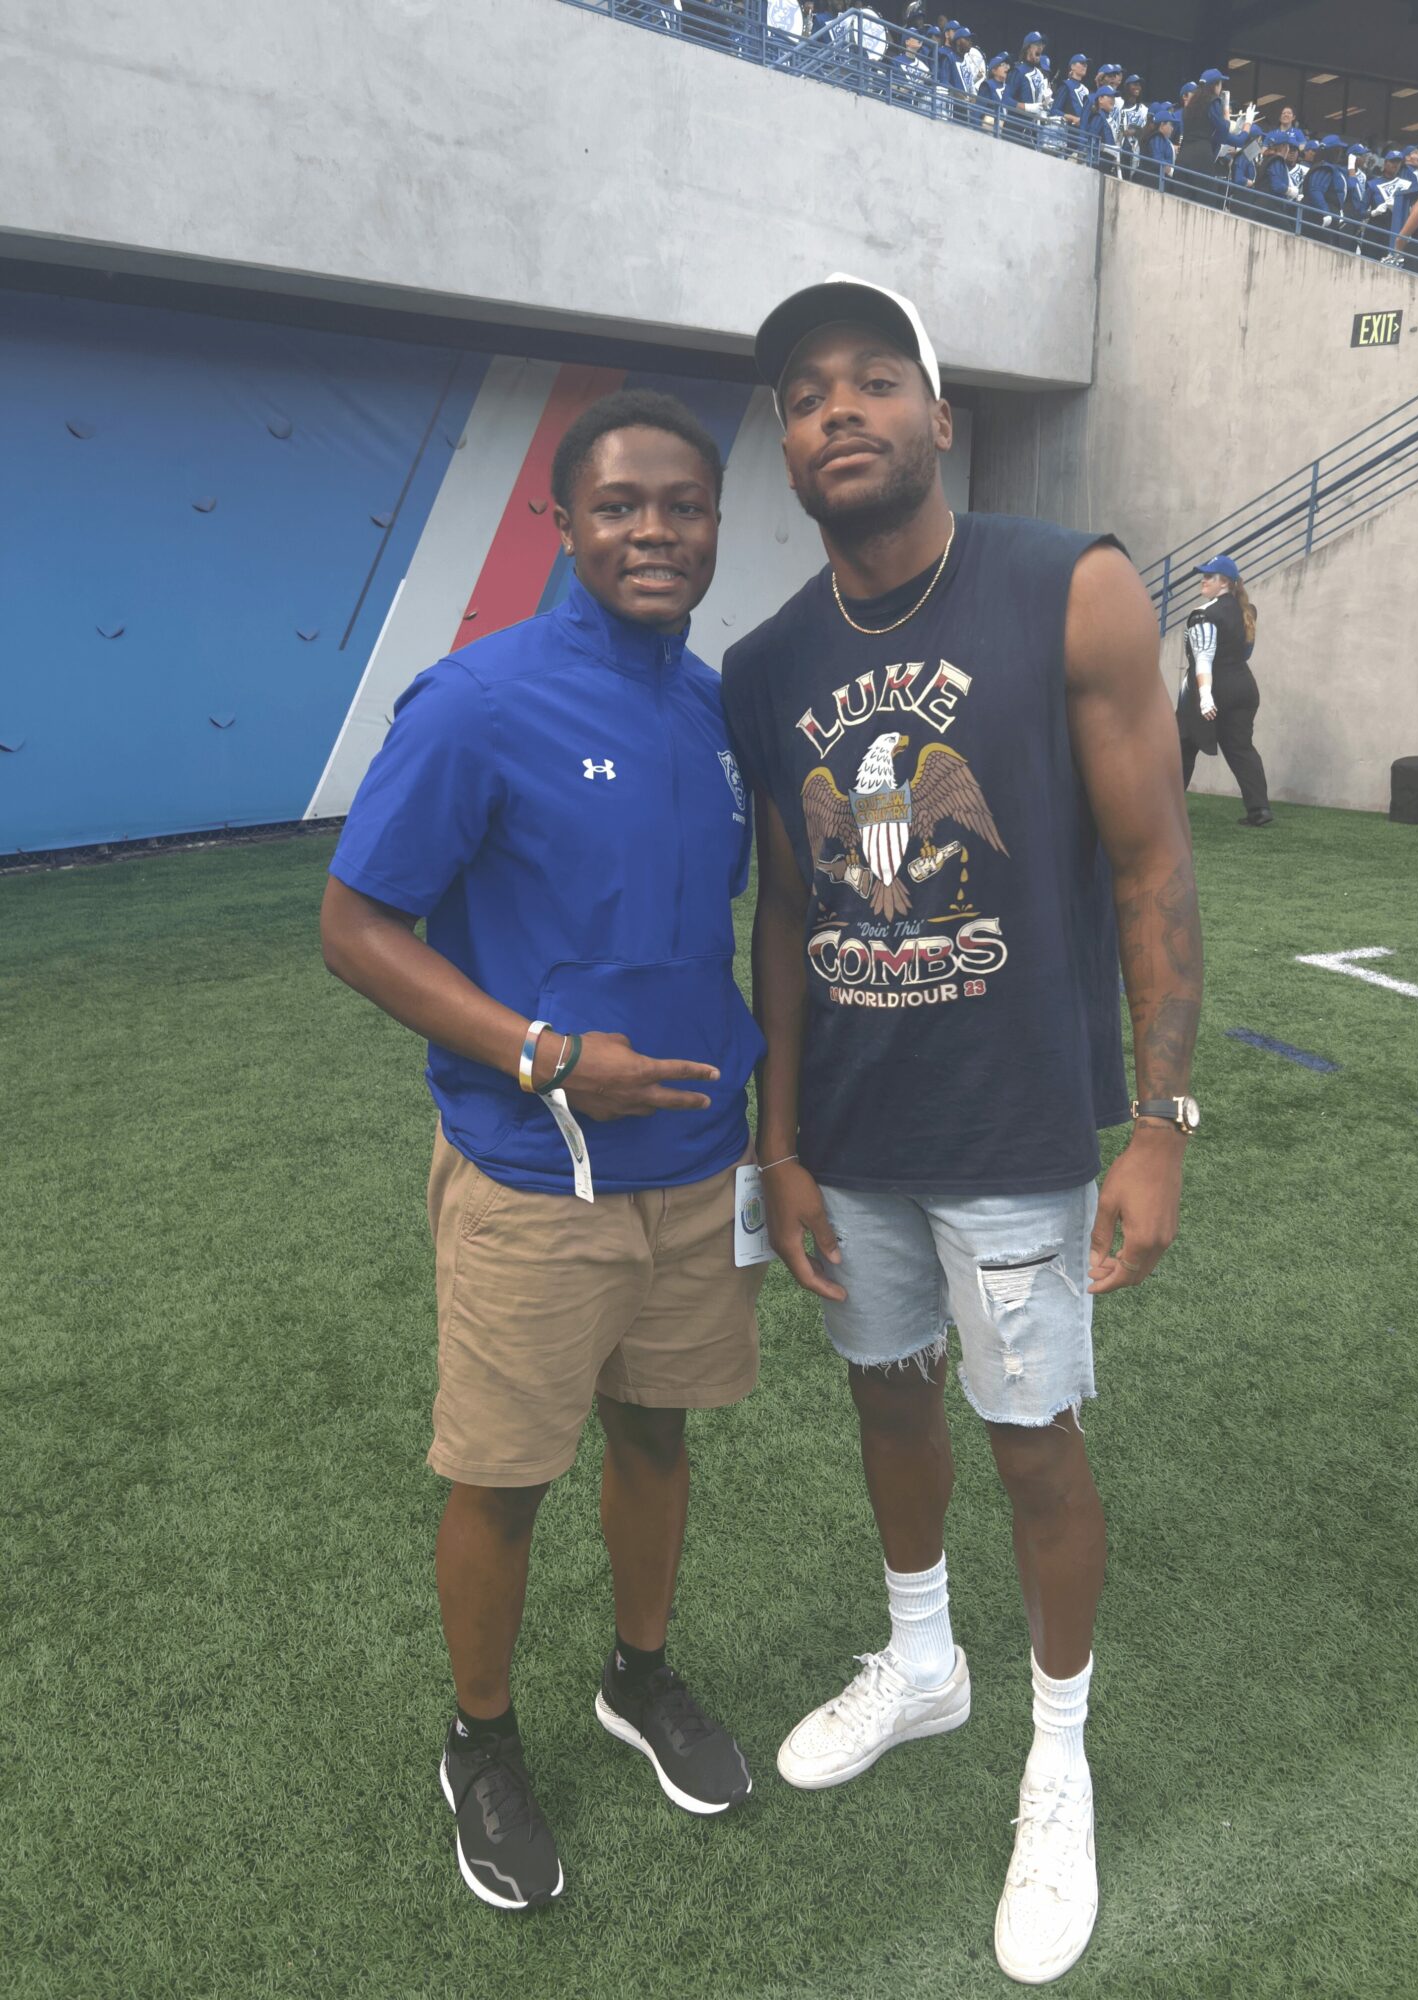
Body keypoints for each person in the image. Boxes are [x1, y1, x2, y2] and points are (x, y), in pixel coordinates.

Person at [722, 273, 1204, 1986]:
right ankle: (924, 1664)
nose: (835, 412)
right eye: (802, 396)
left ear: (940, 416)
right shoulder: (767, 666)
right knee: (884, 1395)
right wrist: (779, 1144)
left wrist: (1157, 1120)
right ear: (786, 445)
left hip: (1016, 1132)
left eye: (871, 382)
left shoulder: (1064, 589)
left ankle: (1054, 1755)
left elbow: (1153, 863)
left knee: (1034, 1440)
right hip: (850, 1133)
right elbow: (785, 917)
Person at [320, 391, 766, 1911]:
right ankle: (482, 1739)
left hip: (697, 1173)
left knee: (658, 1434)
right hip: (533, 1176)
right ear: (564, 524)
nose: (655, 531)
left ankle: (638, 1678)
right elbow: (353, 925)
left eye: (684, 506)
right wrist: (540, 1052)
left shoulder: (716, 711)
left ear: (717, 524)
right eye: (623, 505)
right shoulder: (477, 701)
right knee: (503, 1477)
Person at [1177, 555, 1271, 827]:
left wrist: (1206, 697)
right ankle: (1260, 809)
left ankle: (1166, 810)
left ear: (1225, 583)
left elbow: (1203, 659)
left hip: (1212, 688)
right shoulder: (1247, 611)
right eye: (1204, 575)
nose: (1203, 580)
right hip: (1244, 686)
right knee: (1241, 748)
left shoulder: (1203, 614)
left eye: (1210, 576)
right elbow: (1247, 651)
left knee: (1181, 745)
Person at [1143, 101, 1178, 189]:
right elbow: (1157, 160)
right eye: (1170, 124)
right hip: (1155, 183)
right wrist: (1171, 171)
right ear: (1162, 125)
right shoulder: (1157, 138)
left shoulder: (1162, 139)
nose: (1172, 128)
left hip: (1160, 181)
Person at [1055, 50, 1089, 131]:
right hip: (1068, 132)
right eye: (1082, 63)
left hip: (1081, 133)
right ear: (1072, 66)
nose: (1085, 66)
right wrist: (1072, 118)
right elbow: (1054, 110)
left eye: (1086, 64)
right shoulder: (1066, 85)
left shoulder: (1085, 89)